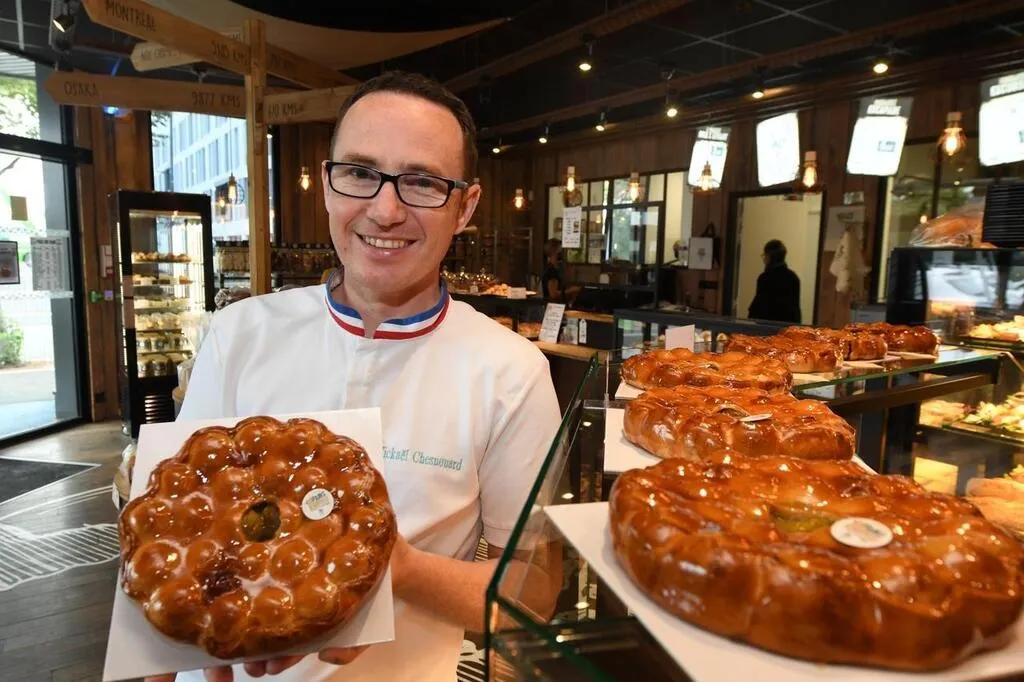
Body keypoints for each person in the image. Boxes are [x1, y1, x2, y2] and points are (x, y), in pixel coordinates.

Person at [156, 71, 561, 682]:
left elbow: (532, 592)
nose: (386, 209)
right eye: (361, 173)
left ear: (465, 206)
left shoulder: (511, 372)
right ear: (327, 184)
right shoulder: (238, 334)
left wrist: (395, 565)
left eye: (423, 182)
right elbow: (177, 523)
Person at [747, 239, 801, 323]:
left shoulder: (765, 278)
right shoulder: (793, 277)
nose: (764, 259)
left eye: (765, 255)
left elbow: (759, 306)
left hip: (766, 327)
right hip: (786, 328)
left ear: (770, 257)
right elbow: (795, 309)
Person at [542, 238, 580, 302]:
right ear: (554, 251)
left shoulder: (559, 268)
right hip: (554, 308)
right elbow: (553, 294)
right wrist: (572, 290)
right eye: (561, 249)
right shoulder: (551, 270)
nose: (563, 252)